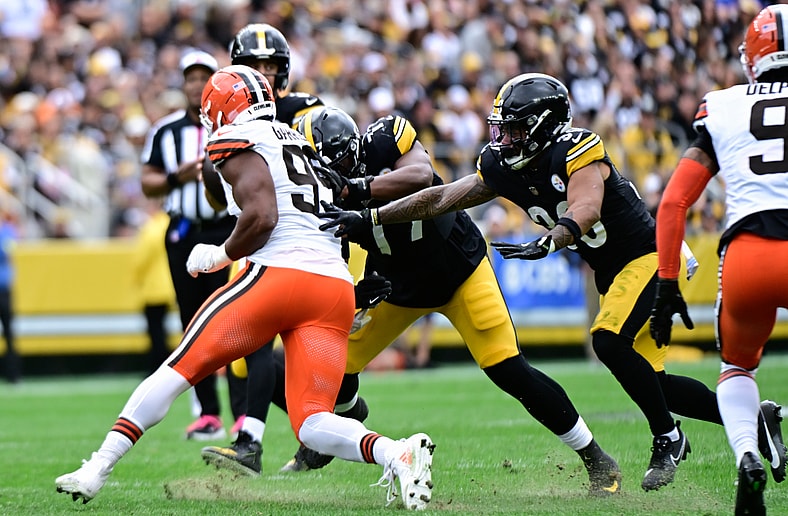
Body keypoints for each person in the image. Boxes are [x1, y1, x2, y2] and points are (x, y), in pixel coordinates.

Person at [318, 73, 785, 493]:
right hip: (608, 270)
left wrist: (554, 239)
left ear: (543, 124)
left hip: (646, 255)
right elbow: (441, 195)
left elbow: (586, 207)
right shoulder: (502, 164)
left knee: (606, 341)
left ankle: (667, 438)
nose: (504, 137)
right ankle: (753, 420)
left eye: (515, 127)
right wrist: (371, 215)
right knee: (655, 382)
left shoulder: (578, 148)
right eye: (502, 127)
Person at [55, 65, 435, 511]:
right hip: (332, 285)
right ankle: (397, 453)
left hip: (281, 273)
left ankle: (97, 467)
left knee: (179, 368)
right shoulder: (299, 140)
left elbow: (262, 216)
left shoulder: (232, 138)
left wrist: (220, 253)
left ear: (221, 108)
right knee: (312, 422)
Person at [270, 105, 621, 497]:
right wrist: (354, 293)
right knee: (337, 363)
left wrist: (360, 190)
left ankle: (596, 457)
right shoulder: (315, 197)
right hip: (397, 287)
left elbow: (421, 175)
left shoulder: (386, 137)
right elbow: (327, 253)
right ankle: (349, 419)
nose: (329, 177)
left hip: (459, 270)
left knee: (508, 369)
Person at [650, 5, 788, 513]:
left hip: (749, 255)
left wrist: (667, 284)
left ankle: (748, 453)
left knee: (736, 368)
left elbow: (673, 203)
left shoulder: (724, 104)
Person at [198, 22, 333, 471]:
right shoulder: (230, 118)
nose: (264, 74)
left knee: (290, 353)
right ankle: (272, 435)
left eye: (271, 66)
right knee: (251, 348)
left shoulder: (306, 111)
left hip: (310, 244)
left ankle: (327, 422)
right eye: (253, 65)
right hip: (262, 242)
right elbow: (220, 199)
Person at [140, 49, 245, 441]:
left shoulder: (232, 123)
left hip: (226, 229)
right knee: (192, 321)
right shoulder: (167, 131)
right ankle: (207, 412)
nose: (196, 84)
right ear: (182, 83)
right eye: (190, 77)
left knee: (233, 319)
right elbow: (146, 180)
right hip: (184, 230)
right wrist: (175, 179)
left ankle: (240, 412)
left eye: (204, 77)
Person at [129, 198, 176, 375]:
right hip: (168, 285)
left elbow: (140, 260)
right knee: (162, 330)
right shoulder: (169, 225)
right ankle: (163, 364)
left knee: (155, 332)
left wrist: (136, 278)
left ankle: (157, 366)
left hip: (152, 287)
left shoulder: (150, 229)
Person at [0, 203, 19, 383]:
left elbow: (8, 252)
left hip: (4, 287)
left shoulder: (7, 231)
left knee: (9, 332)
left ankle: (13, 375)